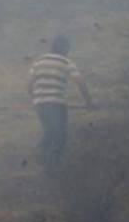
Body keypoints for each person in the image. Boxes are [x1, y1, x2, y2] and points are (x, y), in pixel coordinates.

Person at [28, 35, 94, 167]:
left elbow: (29, 84)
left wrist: (36, 99)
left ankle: (40, 156)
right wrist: (89, 102)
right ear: (65, 48)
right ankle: (52, 165)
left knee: (49, 131)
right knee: (60, 134)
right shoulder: (65, 62)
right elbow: (80, 82)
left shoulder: (39, 61)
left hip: (39, 103)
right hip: (56, 103)